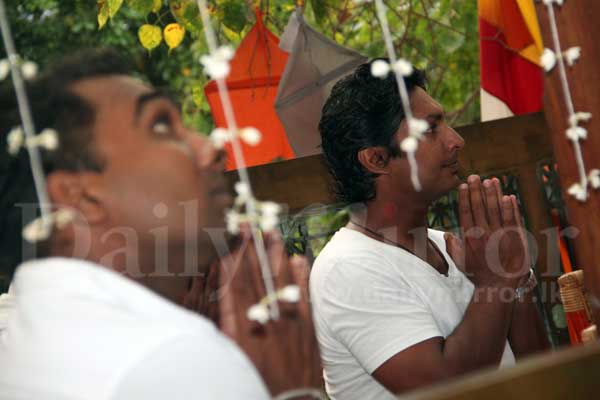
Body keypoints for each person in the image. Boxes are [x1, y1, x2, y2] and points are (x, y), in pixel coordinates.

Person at [0, 48, 320, 399]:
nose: (212, 148)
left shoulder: (29, 338)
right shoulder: (172, 357)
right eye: (161, 125)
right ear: (80, 196)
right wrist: (296, 390)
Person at [310, 60, 550, 399]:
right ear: (376, 160)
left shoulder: (448, 247)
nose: (456, 141)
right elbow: (448, 390)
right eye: (431, 130)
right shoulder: (347, 268)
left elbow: (537, 372)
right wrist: (495, 282)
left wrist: (514, 278)